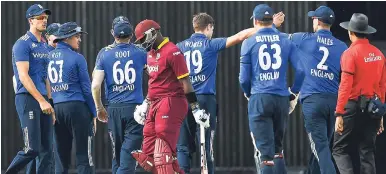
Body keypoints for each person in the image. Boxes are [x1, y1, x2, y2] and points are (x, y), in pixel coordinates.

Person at [175, 12, 261, 174]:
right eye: (211, 29)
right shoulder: (211, 44)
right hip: (205, 99)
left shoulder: (180, 46)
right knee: (206, 143)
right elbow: (239, 36)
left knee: (183, 145)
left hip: (184, 98)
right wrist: (262, 27)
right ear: (208, 27)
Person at [130, 19, 210, 174]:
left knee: (162, 152)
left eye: (143, 39)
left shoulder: (172, 51)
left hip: (171, 101)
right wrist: (145, 104)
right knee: (149, 155)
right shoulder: (151, 54)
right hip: (154, 103)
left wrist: (195, 109)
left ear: (153, 32)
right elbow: (154, 82)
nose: (142, 44)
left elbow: (185, 81)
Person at [275, 6, 348, 174]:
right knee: (321, 148)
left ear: (317, 21)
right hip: (333, 101)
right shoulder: (342, 46)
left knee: (321, 149)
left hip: (312, 102)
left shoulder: (303, 39)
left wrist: (271, 25)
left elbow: (273, 37)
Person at [239, 4, 305, 174]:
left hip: (259, 97)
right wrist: (294, 93)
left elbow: (243, 78)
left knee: (265, 155)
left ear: (255, 21)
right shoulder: (285, 40)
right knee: (277, 150)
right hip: (281, 98)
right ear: (270, 20)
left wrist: (248, 93)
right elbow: (301, 70)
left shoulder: (248, 42)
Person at [332, 13, 385, 174]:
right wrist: (381, 114)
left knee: (339, 149)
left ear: (350, 32)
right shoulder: (379, 54)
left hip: (352, 106)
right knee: (367, 151)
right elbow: (382, 86)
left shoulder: (349, 54)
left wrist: (339, 113)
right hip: (373, 108)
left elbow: (345, 85)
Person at [92, 19, 146, 173]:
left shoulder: (104, 53)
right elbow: (154, 74)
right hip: (135, 109)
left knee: (117, 155)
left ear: (112, 33)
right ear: (131, 34)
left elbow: (95, 85)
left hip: (113, 109)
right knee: (128, 158)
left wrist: (99, 107)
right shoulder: (140, 52)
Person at [6, 4, 55, 174]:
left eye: (45, 17)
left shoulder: (44, 46)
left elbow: (45, 77)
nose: (44, 20)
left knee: (47, 151)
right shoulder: (22, 44)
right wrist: (41, 101)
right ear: (30, 20)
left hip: (43, 100)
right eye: (40, 18)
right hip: (28, 98)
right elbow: (23, 76)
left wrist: (50, 103)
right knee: (32, 149)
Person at [48, 22, 97, 174]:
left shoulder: (48, 57)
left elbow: (46, 85)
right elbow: (87, 90)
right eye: (77, 36)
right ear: (67, 38)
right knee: (84, 155)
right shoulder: (78, 58)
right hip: (77, 107)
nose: (79, 40)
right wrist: (94, 112)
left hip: (57, 108)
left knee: (61, 157)